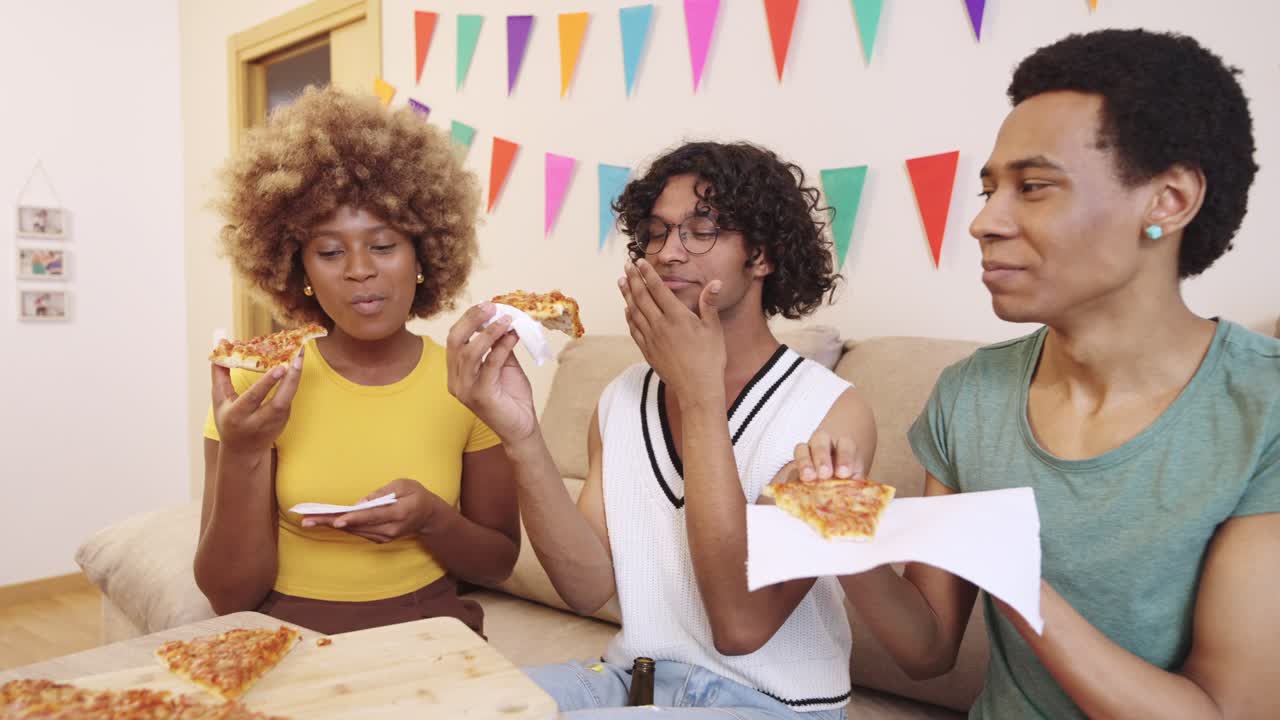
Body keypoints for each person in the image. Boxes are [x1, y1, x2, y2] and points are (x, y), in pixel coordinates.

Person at [792, 29, 1279, 718]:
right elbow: (927, 650)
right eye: (990, 189)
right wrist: (841, 530)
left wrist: (1017, 580)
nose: (984, 222)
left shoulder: (1264, 409)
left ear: (1168, 201)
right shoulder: (970, 396)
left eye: (1034, 187)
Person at [448, 141, 876, 718]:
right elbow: (585, 585)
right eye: (656, 232)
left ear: (764, 257)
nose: (669, 253)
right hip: (634, 682)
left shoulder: (830, 412)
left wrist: (700, 398)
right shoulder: (622, 397)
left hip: (773, 705)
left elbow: (740, 625)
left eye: (701, 231)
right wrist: (522, 437)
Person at [195, 86, 519, 636]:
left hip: (433, 639)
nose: (359, 270)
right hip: (292, 642)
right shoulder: (253, 387)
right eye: (329, 251)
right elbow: (229, 596)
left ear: (424, 254)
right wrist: (244, 450)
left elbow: (497, 563)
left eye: (384, 245)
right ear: (297, 268)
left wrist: (430, 518)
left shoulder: (468, 381)